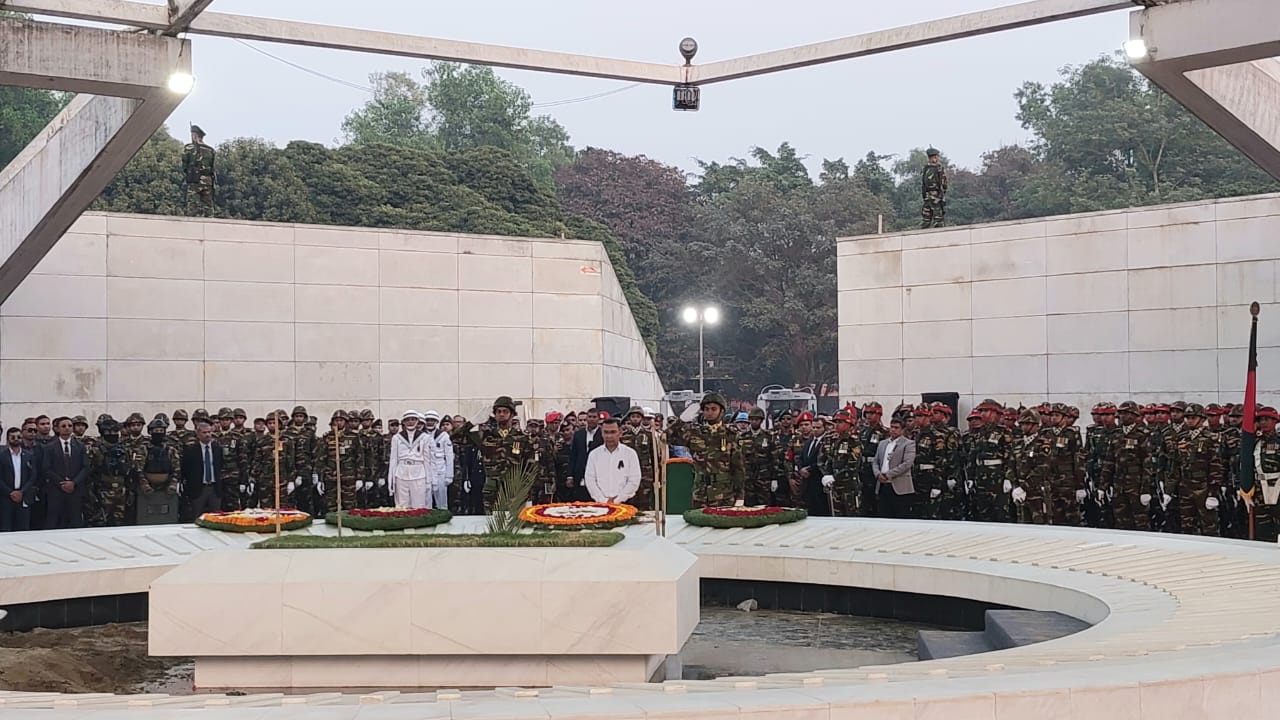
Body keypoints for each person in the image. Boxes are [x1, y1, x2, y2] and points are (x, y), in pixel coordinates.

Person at [666, 393, 746, 508]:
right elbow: (665, 438)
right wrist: (681, 421)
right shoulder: (694, 432)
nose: (710, 412)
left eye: (714, 409)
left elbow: (738, 467)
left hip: (724, 493)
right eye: (706, 409)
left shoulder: (731, 435)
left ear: (721, 411)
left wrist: (740, 495)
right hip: (700, 493)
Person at [42, 417, 88, 529]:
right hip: (56, 490)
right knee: (54, 521)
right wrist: (61, 483)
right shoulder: (49, 447)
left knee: (75, 521)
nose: (67, 428)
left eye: (69, 426)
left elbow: (85, 467)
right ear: (57, 429)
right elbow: (46, 468)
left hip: (75, 490)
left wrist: (74, 483)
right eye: (63, 426)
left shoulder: (80, 446)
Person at [584, 418, 641, 504]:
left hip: (626, 503)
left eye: (613, 432)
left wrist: (618, 500)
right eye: (606, 432)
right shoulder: (594, 454)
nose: (609, 436)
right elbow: (590, 480)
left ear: (620, 433)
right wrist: (603, 500)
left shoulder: (630, 454)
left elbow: (634, 480)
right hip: (600, 503)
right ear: (602, 433)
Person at [874, 416, 917, 518]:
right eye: (891, 427)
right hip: (883, 485)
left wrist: (888, 474)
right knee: (884, 516)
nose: (893, 430)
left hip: (900, 487)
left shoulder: (908, 444)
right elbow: (875, 461)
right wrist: (877, 474)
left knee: (901, 517)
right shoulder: (882, 443)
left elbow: (907, 463)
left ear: (902, 430)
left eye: (896, 427)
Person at [181, 420, 223, 519]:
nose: (207, 435)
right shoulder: (191, 450)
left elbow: (221, 466)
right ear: (198, 434)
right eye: (204, 432)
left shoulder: (217, 448)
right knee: (197, 517)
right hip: (198, 489)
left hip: (214, 488)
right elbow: (186, 469)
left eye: (209, 432)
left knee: (216, 517)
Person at [388, 411, 431, 509]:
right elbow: (393, 460)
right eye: (407, 420)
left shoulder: (424, 437)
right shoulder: (397, 438)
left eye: (413, 419)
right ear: (403, 422)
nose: (410, 422)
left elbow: (427, 460)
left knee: (419, 505)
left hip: (419, 473)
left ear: (417, 421)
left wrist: (429, 481)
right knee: (401, 506)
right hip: (401, 473)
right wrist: (391, 480)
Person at [0, 427, 37, 531]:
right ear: (7, 439)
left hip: (23, 496)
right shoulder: (2, 456)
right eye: (13, 437)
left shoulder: (29, 455)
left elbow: (33, 476)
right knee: (6, 527)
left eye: (18, 437)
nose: (16, 439)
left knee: (23, 528)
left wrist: (22, 491)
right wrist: (10, 492)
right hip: (6, 497)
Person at [567, 408, 604, 501]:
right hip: (580, 474)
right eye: (590, 417)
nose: (592, 419)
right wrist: (570, 475)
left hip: (598, 475)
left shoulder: (603, 434)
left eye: (594, 417)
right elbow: (573, 456)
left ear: (599, 419)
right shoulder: (579, 434)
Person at [182, 124, 216, 216]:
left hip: (194, 180)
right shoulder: (210, 150)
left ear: (194, 135)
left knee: (192, 205)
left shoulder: (189, 148)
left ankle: (191, 225)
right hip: (208, 180)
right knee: (208, 205)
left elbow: (184, 165)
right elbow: (213, 167)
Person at [423, 411, 454, 510]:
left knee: (442, 501)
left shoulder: (443, 435)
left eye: (432, 420)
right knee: (426, 501)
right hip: (425, 472)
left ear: (436, 422)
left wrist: (449, 475)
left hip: (440, 471)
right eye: (428, 420)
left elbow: (449, 457)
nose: (430, 422)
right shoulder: (421, 435)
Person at [921, 147, 948, 229]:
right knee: (932, 220)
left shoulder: (931, 168)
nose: (936, 158)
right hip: (932, 198)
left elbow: (943, 184)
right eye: (935, 156)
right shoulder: (933, 168)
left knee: (932, 220)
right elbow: (944, 184)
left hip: (932, 197)